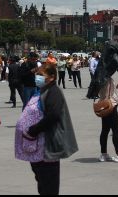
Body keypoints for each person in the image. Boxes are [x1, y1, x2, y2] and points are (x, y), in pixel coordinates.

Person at [21, 64, 78, 195]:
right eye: (37, 74)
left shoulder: (54, 91)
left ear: (52, 77)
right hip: (38, 145)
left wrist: (32, 131)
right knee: (42, 182)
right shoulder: (42, 90)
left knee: (49, 184)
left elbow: (53, 115)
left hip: (48, 144)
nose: (37, 78)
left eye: (41, 75)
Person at [97, 70, 118, 163]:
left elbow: (105, 93)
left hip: (102, 105)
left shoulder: (99, 77)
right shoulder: (107, 79)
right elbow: (110, 96)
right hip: (110, 106)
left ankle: (103, 153)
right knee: (116, 130)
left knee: (105, 130)